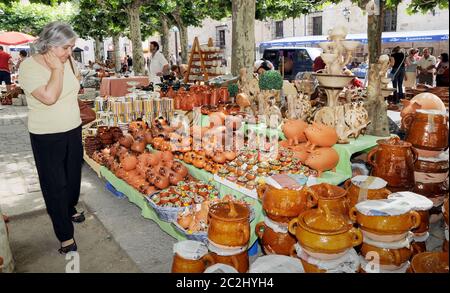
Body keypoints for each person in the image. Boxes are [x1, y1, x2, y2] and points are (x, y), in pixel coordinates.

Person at [18, 21, 85, 255]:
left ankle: (68, 208)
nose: (70, 52)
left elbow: (74, 89)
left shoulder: (68, 61)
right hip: (47, 135)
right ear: (50, 44)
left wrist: (65, 65)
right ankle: (65, 235)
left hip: (73, 128)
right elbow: (49, 97)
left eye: (71, 47)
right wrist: (56, 70)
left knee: (73, 178)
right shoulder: (29, 67)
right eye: (66, 47)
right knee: (55, 185)